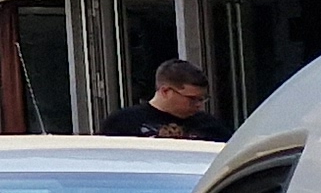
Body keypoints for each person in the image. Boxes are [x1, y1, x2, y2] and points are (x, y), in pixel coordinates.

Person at [98, 59, 230, 141]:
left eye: (202, 99)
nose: (198, 105)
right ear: (165, 91)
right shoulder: (122, 123)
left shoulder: (211, 126)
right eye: (192, 98)